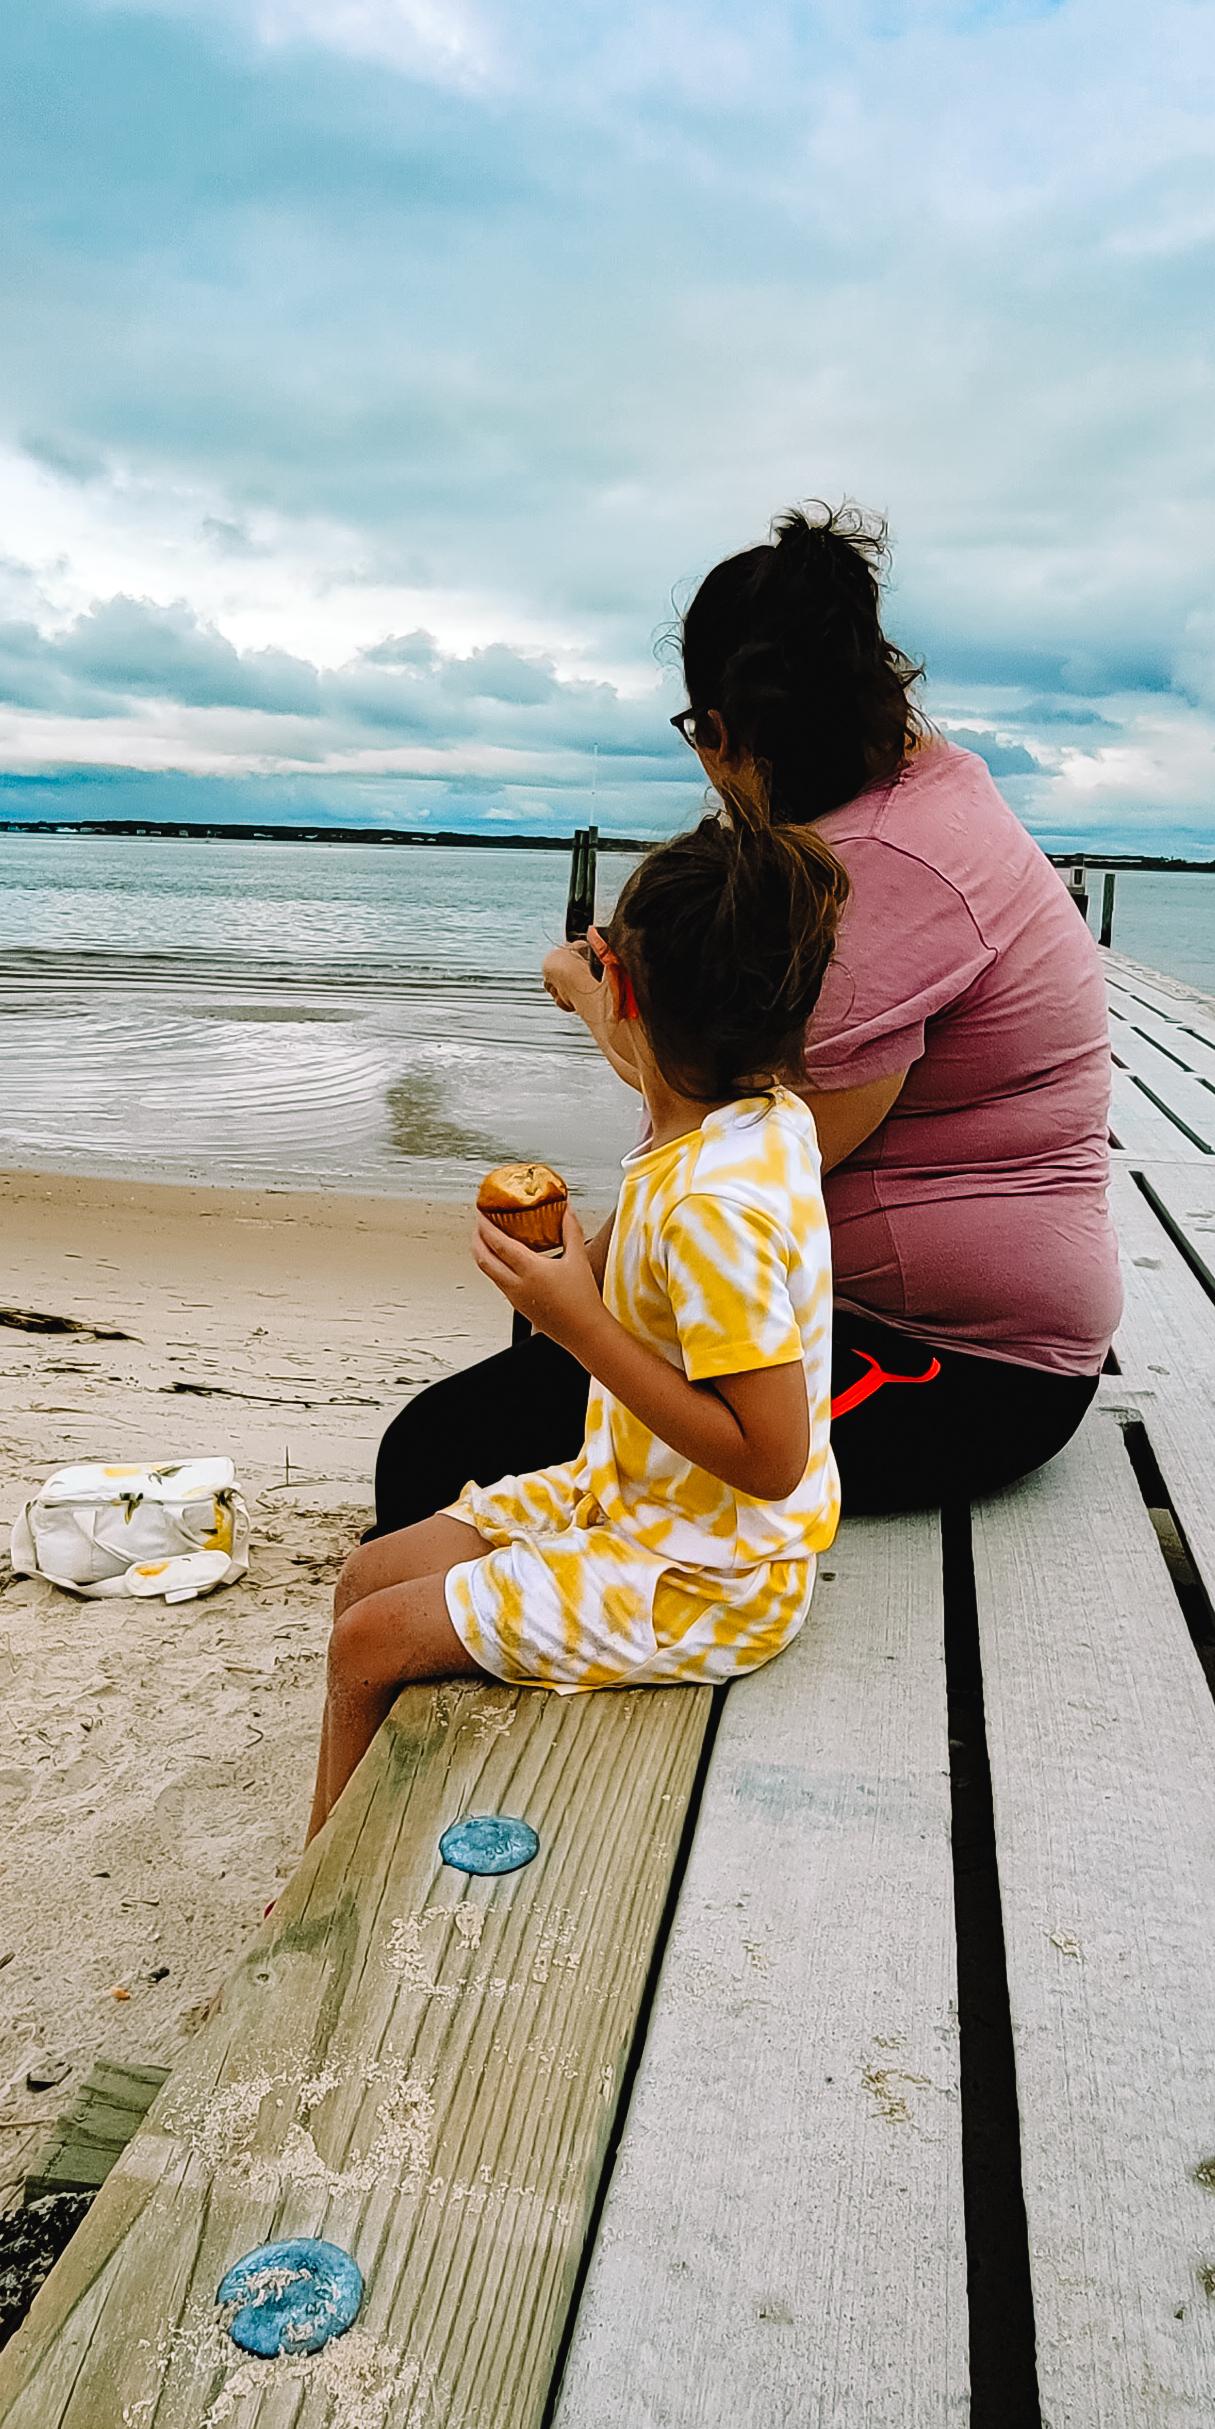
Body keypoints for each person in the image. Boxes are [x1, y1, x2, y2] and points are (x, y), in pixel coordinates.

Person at [372, 503, 1116, 1530]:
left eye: (699, 737)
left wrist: (597, 999)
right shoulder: (907, 802)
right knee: (503, 1407)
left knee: (440, 1453)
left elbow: (746, 1133)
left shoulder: (881, 871)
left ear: (722, 728)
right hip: (853, 1309)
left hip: (959, 1364)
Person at [313, 782, 845, 1839]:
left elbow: (772, 1452)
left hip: (706, 1576)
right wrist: (585, 980)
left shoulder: (714, 1212)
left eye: (612, 979)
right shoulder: (746, 1109)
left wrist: (578, 1326)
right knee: (370, 1574)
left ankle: (323, 1888)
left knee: (364, 1643)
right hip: (631, 1499)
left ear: (635, 996)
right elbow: (643, 1055)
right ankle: (365, 1828)